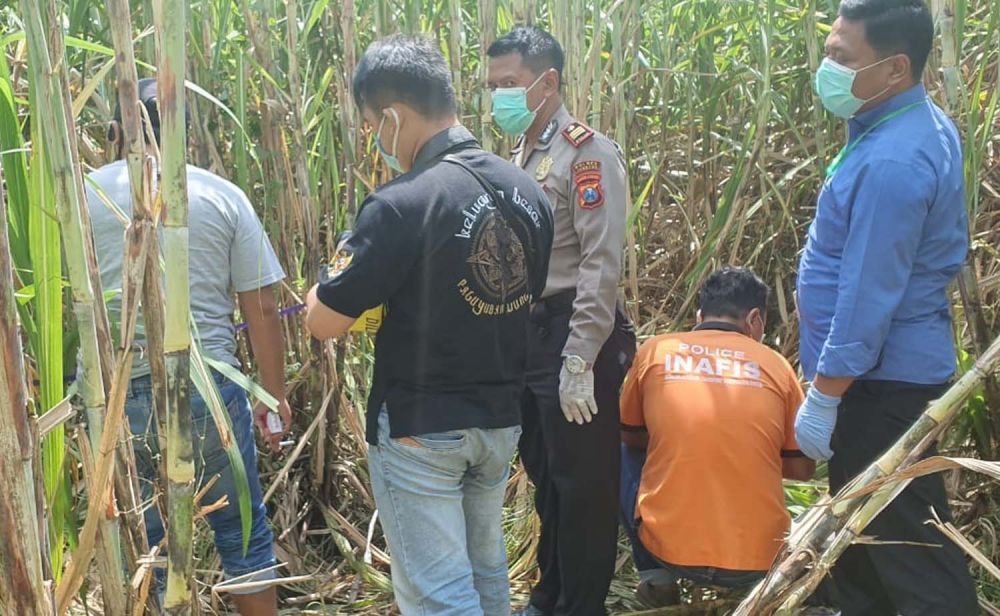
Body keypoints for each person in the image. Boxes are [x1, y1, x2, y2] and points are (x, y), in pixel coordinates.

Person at [304, 35, 553, 616]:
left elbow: (323, 322)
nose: (375, 141)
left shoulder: (400, 204)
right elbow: (524, 293)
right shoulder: (526, 191)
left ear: (393, 116)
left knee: (439, 595)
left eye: (372, 126)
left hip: (422, 428)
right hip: (498, 422)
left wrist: (323, 285)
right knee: (487, 576)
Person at [794, 1, 979, 613]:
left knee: (907, 547)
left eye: (842, 58)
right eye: (829, 49)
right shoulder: (897, 127)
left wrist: (824, 395)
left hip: (880, 387)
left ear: (895, 67)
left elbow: (868, 295)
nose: (827, 67)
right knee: (862, 545)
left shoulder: (895, 159)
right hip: (877, 381)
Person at [87, 78, 290, 615]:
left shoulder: (81, 194)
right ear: (184, 134)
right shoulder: (221, 194)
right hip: (213, 389)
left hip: (117, 401)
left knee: (142, 548)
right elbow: (264, 309)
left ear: (114, 132)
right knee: (243, 537)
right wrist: (273, 397)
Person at [485, 25, 636, 616]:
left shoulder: (587, 153)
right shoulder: (519, 154)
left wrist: (581, 356)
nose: (499, 95)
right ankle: (549, 597)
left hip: (577, 331)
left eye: (510, 83)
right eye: (493, 85)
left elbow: (601, 264)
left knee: (584, 489)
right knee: (547, 480)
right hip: (530, 334)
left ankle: (581, 605)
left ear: (547, 82)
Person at [619, 267, 815, 608]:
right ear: (755, 319)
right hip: (759, 561)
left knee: (619, 451)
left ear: (699, 315)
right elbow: (802, 470)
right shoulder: (776, 366)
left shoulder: (656, 351)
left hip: (668, 550)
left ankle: (657, 581)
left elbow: (631, 436)